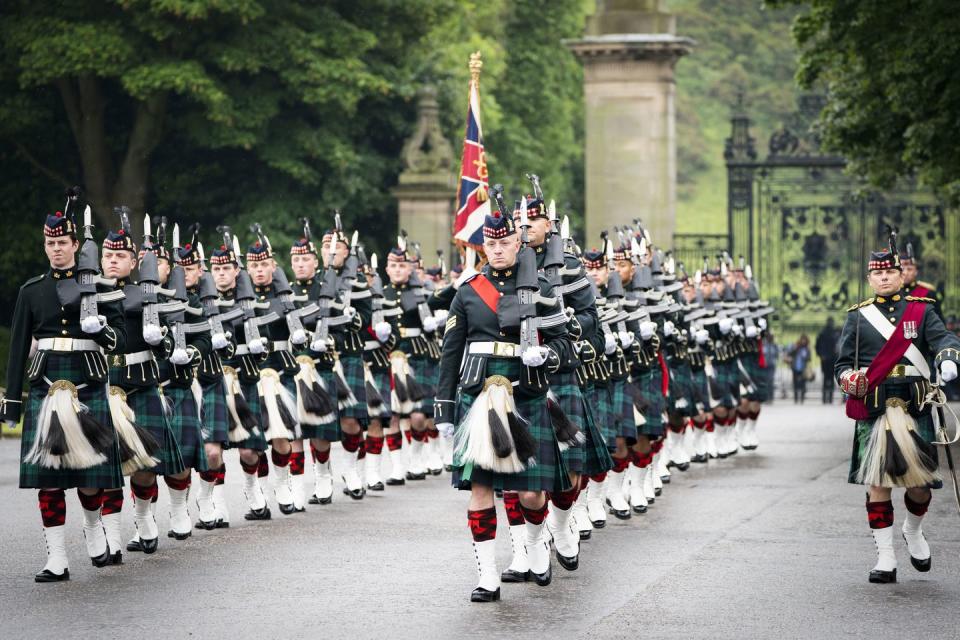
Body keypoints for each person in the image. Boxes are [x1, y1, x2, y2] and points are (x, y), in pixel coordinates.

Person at [434, 205, 572, 602]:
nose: (497, 250)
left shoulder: (542, 289)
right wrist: (444, 409)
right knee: (481, 488)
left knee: (531, 495)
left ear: (518, 242)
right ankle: (487, 576)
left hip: (524, 392)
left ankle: (534, 542)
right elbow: (450, 354)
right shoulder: (468, 290)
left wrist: (546, 356)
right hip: (479, 396)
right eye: (490, 244)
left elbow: (564, 342)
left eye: (505, 242)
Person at [2, 202, 126, 581]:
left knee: (91, 480)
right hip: (46, 387)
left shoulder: (101, 289)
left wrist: (100, 329)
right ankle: (56, 558)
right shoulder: (32, 292)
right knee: (50, 479)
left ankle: (92, 529)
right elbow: (18, 348)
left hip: (88, 385)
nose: (56, 249)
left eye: (62, 243)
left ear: (76, 244)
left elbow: (120, 337)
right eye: (49, 243)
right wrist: (12, 400)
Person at [835, 238, 959, 583]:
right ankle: (885, 557)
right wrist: (848, 378)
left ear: (901, 274)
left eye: (891, 271)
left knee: (920, 486)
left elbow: (944, 340)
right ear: (869, 279)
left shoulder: (921, 310)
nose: (886, 278)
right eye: (879, 274)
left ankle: (913, 531)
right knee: (878, 484)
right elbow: (843, 363)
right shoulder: (858, 317)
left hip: (913, 401)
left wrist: (947, 359)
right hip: (875, 405)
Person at [816, 318, 839, 404]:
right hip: (827, 359)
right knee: (827, 378)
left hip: (830, 359)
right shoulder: (824, 333)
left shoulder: (832, 333)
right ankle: (826, 398)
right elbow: (818, 346)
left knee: (828, 378)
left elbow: (837, 346)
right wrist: (821, 354)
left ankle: (828, 398)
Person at [789, 335, 811, 404]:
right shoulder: (797, 347)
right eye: (802, 340)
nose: (803, 341)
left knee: (803, 384)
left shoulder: (807, 349)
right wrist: (796, 348)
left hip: (803, 368)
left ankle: (802, 398)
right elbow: (790, 354)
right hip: (795, 367)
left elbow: (809, 358)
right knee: (795, 383)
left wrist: (805, 357)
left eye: (804, 340)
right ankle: (796, 398)